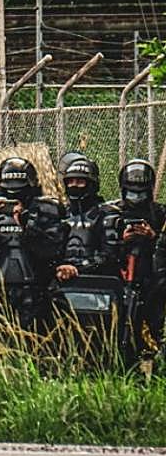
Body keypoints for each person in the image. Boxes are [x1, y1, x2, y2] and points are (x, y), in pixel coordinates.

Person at [0, 157, 66, 331]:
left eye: (19, 192)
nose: (13, 199)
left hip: (37, 294)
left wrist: (27, 225)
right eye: (8, 192)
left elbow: (53, 253)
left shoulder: (47, 210)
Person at [109, 159, 166, 363]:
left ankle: (153, 349)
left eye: (141, 192)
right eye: (132, 191)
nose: (136, 197)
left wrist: (153, 236)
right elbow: (103, 243)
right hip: (119, 272)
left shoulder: (160, 213)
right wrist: (121, 239)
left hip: (152, 275)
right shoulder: (111, 211)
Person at [56, 155, 118, 284]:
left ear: (91, 185)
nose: (74, 186)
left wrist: (78, 268)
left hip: (98, 283)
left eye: (80, 182)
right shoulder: (59, 213)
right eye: (70, 181)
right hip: (59, 281)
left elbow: (110, 256)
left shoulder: (106, 214)